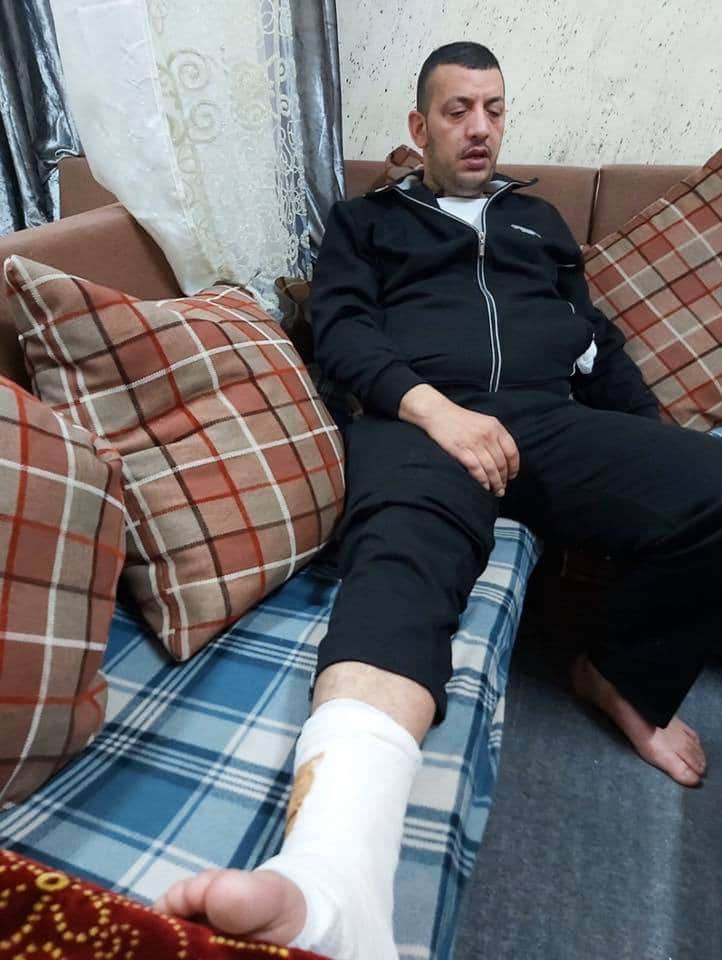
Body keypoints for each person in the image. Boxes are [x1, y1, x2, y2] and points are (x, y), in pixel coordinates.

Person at [154, 41, 722, 960]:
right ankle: (330, 876)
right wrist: (435, 411)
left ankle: (619, 673)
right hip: (415, 418)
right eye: (458, 110)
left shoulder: (539, 222)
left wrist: (652, 453)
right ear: (420, 127)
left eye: (493, 109)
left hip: (547, 421)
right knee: (405, 555)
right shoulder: (366, 222)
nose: (480, 128)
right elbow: (340, 329)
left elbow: (593, 343)